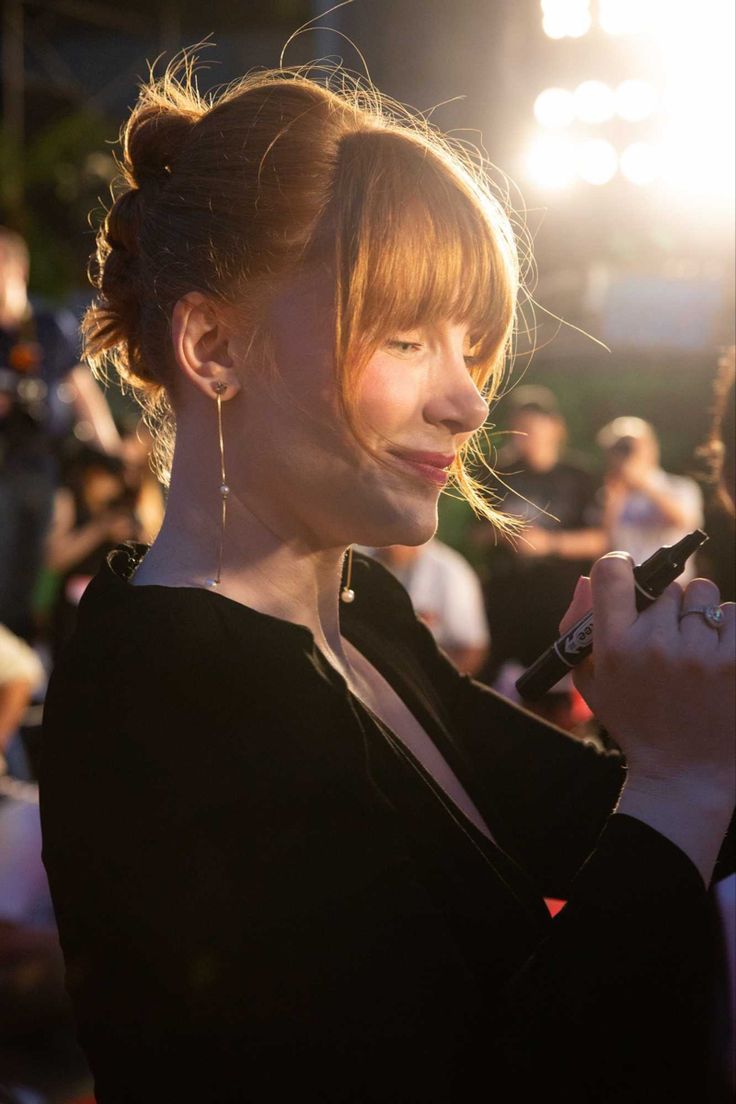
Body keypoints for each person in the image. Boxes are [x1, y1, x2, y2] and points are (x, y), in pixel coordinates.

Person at [38, 62, 734, 1103]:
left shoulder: (362, 616)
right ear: (213, 345)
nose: (465, 400)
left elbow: (598, 823)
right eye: (406, 338)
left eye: (474, 347)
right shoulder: (163, 690)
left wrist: (673, 718)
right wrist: (678, 781)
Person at [0, 228, 122, 642]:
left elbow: (81, 388)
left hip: (51, 467)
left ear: (18, 270)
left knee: (43, 565)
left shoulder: (48, 326)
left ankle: (34, 649)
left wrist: (110, 452)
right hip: (5, 468)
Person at [472, 385, 606, 726]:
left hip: (559, 602)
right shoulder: (499, 473)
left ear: (555, 428)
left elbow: (601, 539)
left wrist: (550, 544)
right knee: (500, 697)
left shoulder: (578, 476)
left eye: (532, 428)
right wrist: (507, 533)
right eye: (518, 430)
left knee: (561, 700)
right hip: (507, 601)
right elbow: (475, 534)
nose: (525, 437)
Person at [597, 416, 704, 583]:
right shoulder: (610, 495)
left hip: (671, 587)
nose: (626, 456)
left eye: (630, 448)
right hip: (625, 587)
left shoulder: (680, 487)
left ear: (651, 448)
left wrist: (644, 484)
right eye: (619, 449)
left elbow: (685, 525)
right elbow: (603, 542)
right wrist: (614, 500)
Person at [363, 539, 490, 674]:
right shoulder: (361, 561)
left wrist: (431, 687)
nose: (387, 544)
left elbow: (472, 650)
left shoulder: (450, 572)